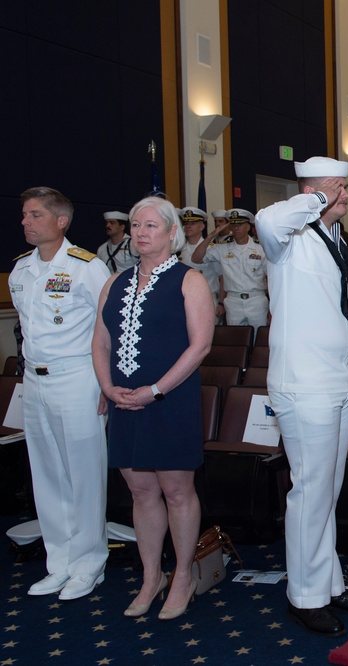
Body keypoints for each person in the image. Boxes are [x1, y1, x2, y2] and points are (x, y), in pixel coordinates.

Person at [254, 156, 348, 637]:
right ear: (309, 192)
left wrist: (325, 200)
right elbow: (266, 217)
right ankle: (304, 596)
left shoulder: (334, 239)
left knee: (328, 490)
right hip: (304, 384)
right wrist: (318, 196)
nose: (344, 197)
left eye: (344, 189)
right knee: (309, 492)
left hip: (339, 379)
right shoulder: (287, 239)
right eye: (334, 190)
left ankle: (329, 582)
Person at [92, 196, 214, 620]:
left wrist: (156, 390)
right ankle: (150, 577)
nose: (140, 232)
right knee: (140, 492)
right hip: (124, 401)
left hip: (170, 399)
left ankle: (182, 575)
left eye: (150, 226)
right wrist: (108, 387)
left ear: (170, 233)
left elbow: (200, 347)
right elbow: (101, 341)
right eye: (135, 226)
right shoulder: (114, 282)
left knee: (177, 491)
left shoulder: (189, 280)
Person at [10, 186, 111, 601]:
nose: (25, 221)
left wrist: (106, 385)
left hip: (77, 378)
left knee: (83, 475)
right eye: (25, 214)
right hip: (34, 381)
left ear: (61, 221)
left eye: (35, 215)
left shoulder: (87, 267)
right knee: (47, 475)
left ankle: (89, 564)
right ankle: (60, 563)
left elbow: (108, 332)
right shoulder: (21, 270)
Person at [192, 208, 269, 328]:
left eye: (239, 224)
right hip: (233, 301)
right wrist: (211, 235)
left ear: (248, 227)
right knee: (235, 341)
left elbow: (270, 278)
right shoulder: (222, 249)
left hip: (256, 300)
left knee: (257, 339)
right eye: (233, 225)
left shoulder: (261, 249)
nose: (236, 228)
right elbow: (196, 258)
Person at [177, 207, 224, 321]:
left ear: (202, 227)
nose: (188, 226)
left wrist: (221, 303)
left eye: (192, 223)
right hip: (183, 300)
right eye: (186, 223)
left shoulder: (212, 250)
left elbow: (222, 277)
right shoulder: (178, 249)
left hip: (207, 299)